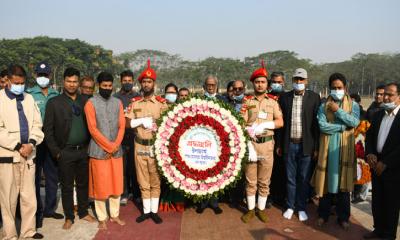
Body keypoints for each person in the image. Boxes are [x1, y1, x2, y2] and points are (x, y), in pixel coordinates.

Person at [44, 67, 96, 230]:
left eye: (75, 82)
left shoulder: (85, 101)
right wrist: (57, 152)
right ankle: (69, 216)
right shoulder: (54, 103)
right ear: (63, 82)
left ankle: (83, 212)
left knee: (83, 184)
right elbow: (48, 130)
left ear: (78, 83)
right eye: (69, 81)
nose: (72, 85)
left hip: (83, 150)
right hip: (64, 151)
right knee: (66, 186)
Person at [0, 64, 44, 239]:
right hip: (8, 155)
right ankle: (9, 234)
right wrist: (18, 146)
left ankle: (28, 231)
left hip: (29, 154)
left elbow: (37, 124)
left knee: (29, 196)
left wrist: (31, 144)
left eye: (22, 82)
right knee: (8, 199)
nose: (19, 85)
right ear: (8, 81)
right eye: (16, 82)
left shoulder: (29, 98)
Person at [312, 73, 360, 230]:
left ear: (345, 88)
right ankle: (323, 215)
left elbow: (354, 122)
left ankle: (343, 217)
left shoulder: (354, 106)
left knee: (343, 186)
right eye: (334, 88)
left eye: (339, 87)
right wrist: (341, 127)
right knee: (326, 184)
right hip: (328, 149)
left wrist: (338, 111)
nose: (337, 90)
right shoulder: (322, 106)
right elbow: (322, 126)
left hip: (344, 150)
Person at [240, 60, 284, 223]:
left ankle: (261, 209)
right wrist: (249, 133)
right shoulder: (247, 102)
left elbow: (280, 122)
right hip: (251, 144)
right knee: (250, 180)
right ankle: (250, 210)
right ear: (253, 83)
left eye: (263, 82)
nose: (260, 85)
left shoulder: (273, 101)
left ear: (267, 84)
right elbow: (241, 122)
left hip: (266, 145)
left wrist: (266, 124)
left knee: (264, 181)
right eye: (257, 82)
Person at [126, 60, 168, 224]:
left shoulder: (161, 103)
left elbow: (169, 124)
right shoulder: (134, 103)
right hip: (139, 144)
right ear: (141, 83)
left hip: (155, 146)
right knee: (142, 179)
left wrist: (158, 126)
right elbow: (127, 123)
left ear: (154, 84)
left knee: (155, 179)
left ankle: (154, 211)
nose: (146, 84)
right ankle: (146, 211)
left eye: (149, 81)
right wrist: (140, 121)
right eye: (144, 81)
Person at [276, 68, 320, 221]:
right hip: (289, 145)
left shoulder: (314, 98)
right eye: (296, 79)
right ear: (292, 81)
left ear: (306, 81)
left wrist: (316, 148)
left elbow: (316, 126)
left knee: (303, 178)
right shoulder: (285, 98)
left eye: (301, 80)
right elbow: (281, 123)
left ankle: (301, 207)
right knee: (290, 178)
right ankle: (290, 206)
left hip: (306, 145)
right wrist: (280, 145)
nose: (299, 82)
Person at [85, 71, 126, 230]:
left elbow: (122, 126)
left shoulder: (118, 103)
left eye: (110, 86)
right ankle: (102, 217)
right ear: (98, 86)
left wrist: (115, 145)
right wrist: (109, 146)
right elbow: (93, 129)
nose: (107, 88)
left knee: (116, 184)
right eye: (104, 86)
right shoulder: (90, 103)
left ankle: (115, 214)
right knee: (101, 186)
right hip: (98, 151)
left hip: (116, 151)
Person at [26, 61, 63, 228]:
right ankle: (37, 211)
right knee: (34, 177)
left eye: (45, 75)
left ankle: (49, 207)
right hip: (35, 140)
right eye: (40, 75)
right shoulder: (29, 94)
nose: (43, 78)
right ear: (35, 76)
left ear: (49, 76)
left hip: (52, 140)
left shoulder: (56, 94)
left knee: (52, 176)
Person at [364, 82, 400, 240]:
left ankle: (388, 234)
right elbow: (370, 137)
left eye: (390, 94)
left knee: (391, 203)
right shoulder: (378, 114)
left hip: (393, 168)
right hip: (375, 164)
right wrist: (370, 153)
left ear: (399, 97)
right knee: (377, 201)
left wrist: (386, 163)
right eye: (384, 94)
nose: (385, 97)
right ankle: (377, 229)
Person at [196, 75, 224, 215]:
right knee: (202, 170)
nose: (211, 87)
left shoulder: (222, 100)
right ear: (204, 86)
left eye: (213, 85)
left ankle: (214, 202)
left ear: (216, 86)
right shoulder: (199, 100)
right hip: (202, 139)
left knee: (216, 171)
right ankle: (202, 202)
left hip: (218, 141)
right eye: (208, 84)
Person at [113, 70, 141, 206]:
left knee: (134, 168)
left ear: (133, 81)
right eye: (125, 81)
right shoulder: (115, 97)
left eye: (130, 81)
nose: (127, 83)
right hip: (121, 137)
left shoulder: (138, 97)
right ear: (121, 81)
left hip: (135, 137)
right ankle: (124, 193)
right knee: (122, 168)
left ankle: (136, 194)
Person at [267, 71, 286, 208]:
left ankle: (281, 196)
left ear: (283, 82)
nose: (277, 84)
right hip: (267, 138)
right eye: (274, 82)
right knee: (269, 170)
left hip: (283, 138)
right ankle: (268, 196)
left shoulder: (286, 97)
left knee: (281, 170)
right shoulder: (267, 97)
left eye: (279, 82)